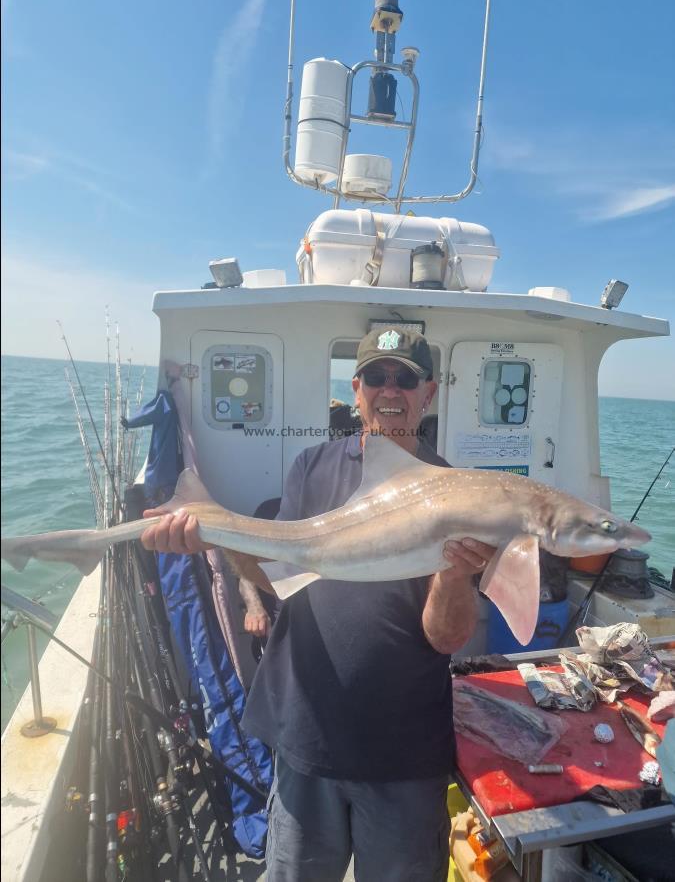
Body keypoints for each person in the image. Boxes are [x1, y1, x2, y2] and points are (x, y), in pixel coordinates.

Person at [141, 326, 496, 882]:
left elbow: (447, 639)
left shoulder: (456, 491)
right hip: (307, 739)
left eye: (405, 378)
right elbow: (276, 573)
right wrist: (221, 539)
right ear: (356, 389)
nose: (390, 389)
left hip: (404, 753)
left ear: (428, 394)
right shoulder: (311, 466)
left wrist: (454, 575)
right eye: (377, 376)